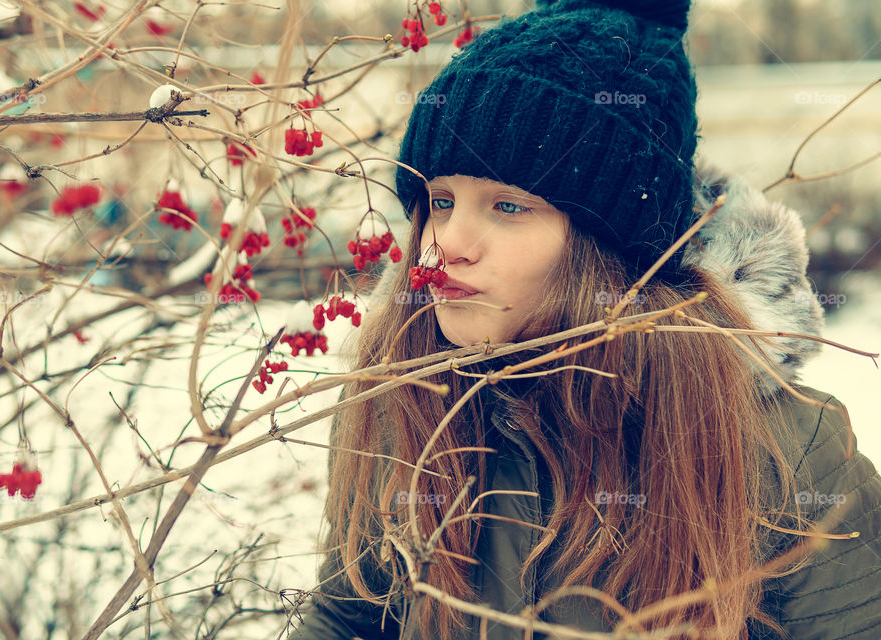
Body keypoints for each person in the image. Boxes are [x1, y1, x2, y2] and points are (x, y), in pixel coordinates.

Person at [286, 0, 881, 638]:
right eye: (440, 200)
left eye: (508, 206)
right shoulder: (400, 402)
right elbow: (350, 616)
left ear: (609, 249)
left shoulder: (782, 448)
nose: (447, 242)